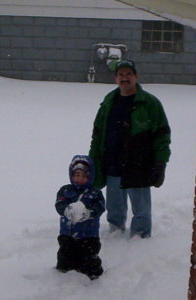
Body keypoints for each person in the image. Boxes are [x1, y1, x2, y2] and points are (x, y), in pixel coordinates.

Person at [89, 59, 171, 238]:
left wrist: (160, 163)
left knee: (141, 208)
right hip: (113, 162)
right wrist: (93, 159)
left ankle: (140, 238)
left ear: (136, 77)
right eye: (121, 75)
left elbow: (162, 134)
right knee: (114, 206)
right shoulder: (109, 101)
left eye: (128, 74)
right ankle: (116, 232)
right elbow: (98, 132)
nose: (124, 78)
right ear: (115, 78)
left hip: (139, 164)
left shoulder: (149, 103)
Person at [55, 155, 106, 280]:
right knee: (65, 258)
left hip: (88, 235)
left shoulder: (95, 193)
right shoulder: (65, 190)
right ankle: (63, 274)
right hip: (67, 234)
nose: (80, 179)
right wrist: (66, 210)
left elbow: (100, 208)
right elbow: (59, 204)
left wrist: (88, 213)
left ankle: (93, 276)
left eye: (84, 176)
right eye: (77, 175)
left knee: (89, 260)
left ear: (90, 177)